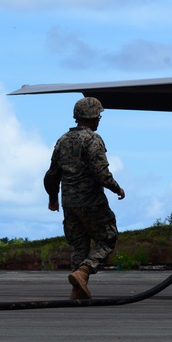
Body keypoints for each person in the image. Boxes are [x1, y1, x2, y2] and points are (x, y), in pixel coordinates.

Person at [44, 97, 126, 300]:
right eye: (98, 115)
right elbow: (101, 172)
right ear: (92, 117)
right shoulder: (92, 140)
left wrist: (53, 198)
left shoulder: (62, 140)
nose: (100, 119)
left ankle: (77, 290)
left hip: (69, 204)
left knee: (80, 245)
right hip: (91, 202)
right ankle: (83, 272)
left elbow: (52, 174)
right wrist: (116, 188)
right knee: (108, 237)